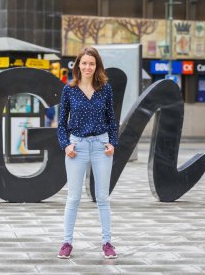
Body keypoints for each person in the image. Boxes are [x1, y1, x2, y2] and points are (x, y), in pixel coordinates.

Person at [57, 47, 118, 259]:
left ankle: (107, 242)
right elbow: (61, 122)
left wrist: (113, 143)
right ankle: (66, 242)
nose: (87, 67)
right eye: (84, 63)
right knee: (73, 198)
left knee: (102, 197)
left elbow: (112, 119)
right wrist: (66, 145)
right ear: (78, 66)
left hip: (101, 147)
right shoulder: (69, 90)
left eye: (91, 63)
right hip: (77, 147)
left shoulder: (106, 89)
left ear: (97, 66)